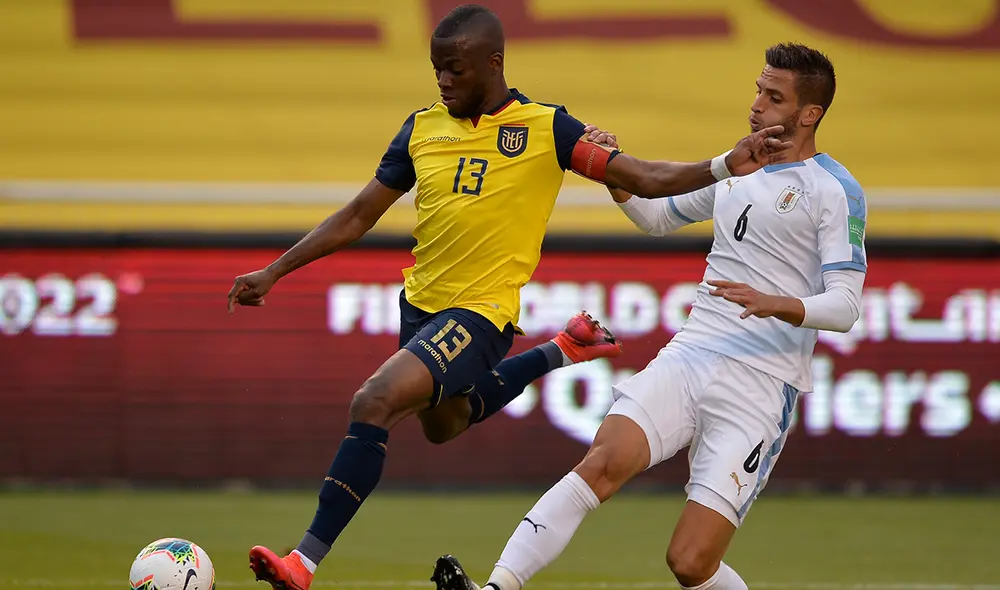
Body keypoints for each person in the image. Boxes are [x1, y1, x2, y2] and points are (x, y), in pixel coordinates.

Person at [228, 5, 793, 590]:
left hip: (480, 315)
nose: (444, 82)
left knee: (373, 400)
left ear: (492, 63)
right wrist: (275, 270)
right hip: (420, 305)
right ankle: (562, 350)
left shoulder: (548, 128)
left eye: (455, 69)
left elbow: (645, 177)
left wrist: (726, 163)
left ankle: (304, 562)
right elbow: (357, 215)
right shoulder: (420, 128)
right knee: (442, 425)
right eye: (437, 70)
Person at [431, 42, 865, 590]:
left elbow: (846, 306)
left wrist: (774, 302)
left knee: (689, 563)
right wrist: (615, 174)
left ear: (810, 114)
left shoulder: (834, 190)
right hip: (691, 354)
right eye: (758, 89)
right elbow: (658, 218)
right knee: (601, 464)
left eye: (773, 97)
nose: (757, 104)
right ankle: (496, 588)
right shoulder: (738, 167)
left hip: (762, 384)